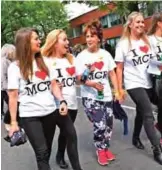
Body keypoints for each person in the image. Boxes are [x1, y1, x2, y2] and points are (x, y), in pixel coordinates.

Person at [7, 27, 73, 170]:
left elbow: (54, 86)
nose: (39, 41)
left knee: (46, 150)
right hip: (30, 117)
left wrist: (61, 100)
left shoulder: (45, 63)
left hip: (50, 113)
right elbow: (12, 96)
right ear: (25, 42)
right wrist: (13, 122)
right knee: (41, 152)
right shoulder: (15, 68)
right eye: (36, 39)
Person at [115, 11, 162, 165]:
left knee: (143, 111)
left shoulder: (147, 41)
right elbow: (119, 69)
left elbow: (154, 61)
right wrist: (119, 89)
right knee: (148, 112)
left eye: (142, 22)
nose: (141, 24)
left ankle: (136, 137)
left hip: (148, 81)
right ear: (130, 25)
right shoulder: (123, 44)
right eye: (138, 22)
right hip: (133, 84)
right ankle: (157, 149)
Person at [75, 19, 120, 166]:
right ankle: (100, 149)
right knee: (100, 124)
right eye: (87, 36)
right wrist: (91, 80)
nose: (89, 39)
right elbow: (79, 79)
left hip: (106, 95)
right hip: (90, 97)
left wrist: (117, 90)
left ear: (98, 38)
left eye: (92, 36)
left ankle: (105, 146)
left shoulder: (105, 54)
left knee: (109, 124)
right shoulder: (81, 57)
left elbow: (112, 74)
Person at [42, 29, 82, 170]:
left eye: (67, 39)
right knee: (70, 135)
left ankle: (59, 156)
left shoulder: (71, 58)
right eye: (64, 40)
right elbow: (38, 83)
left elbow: (78, 80)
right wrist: (51, 85)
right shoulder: (45, 61)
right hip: (55, 105)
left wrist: (87, 73)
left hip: (72, 103)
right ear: (54, 43)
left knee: (66, 135)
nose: (67, 42)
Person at [148, 12, 162, 142]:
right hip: (157, 77)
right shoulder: (150, 40)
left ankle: (159, 125)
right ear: (159, 23)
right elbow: (148, 58)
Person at [1, 44, 16, 131]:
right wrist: (8, 89)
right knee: (12, 105)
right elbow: (3, 77)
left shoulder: (9, 61)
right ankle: (7, 122)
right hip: (4, 88)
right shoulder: (3, 61)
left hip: (8, 87)